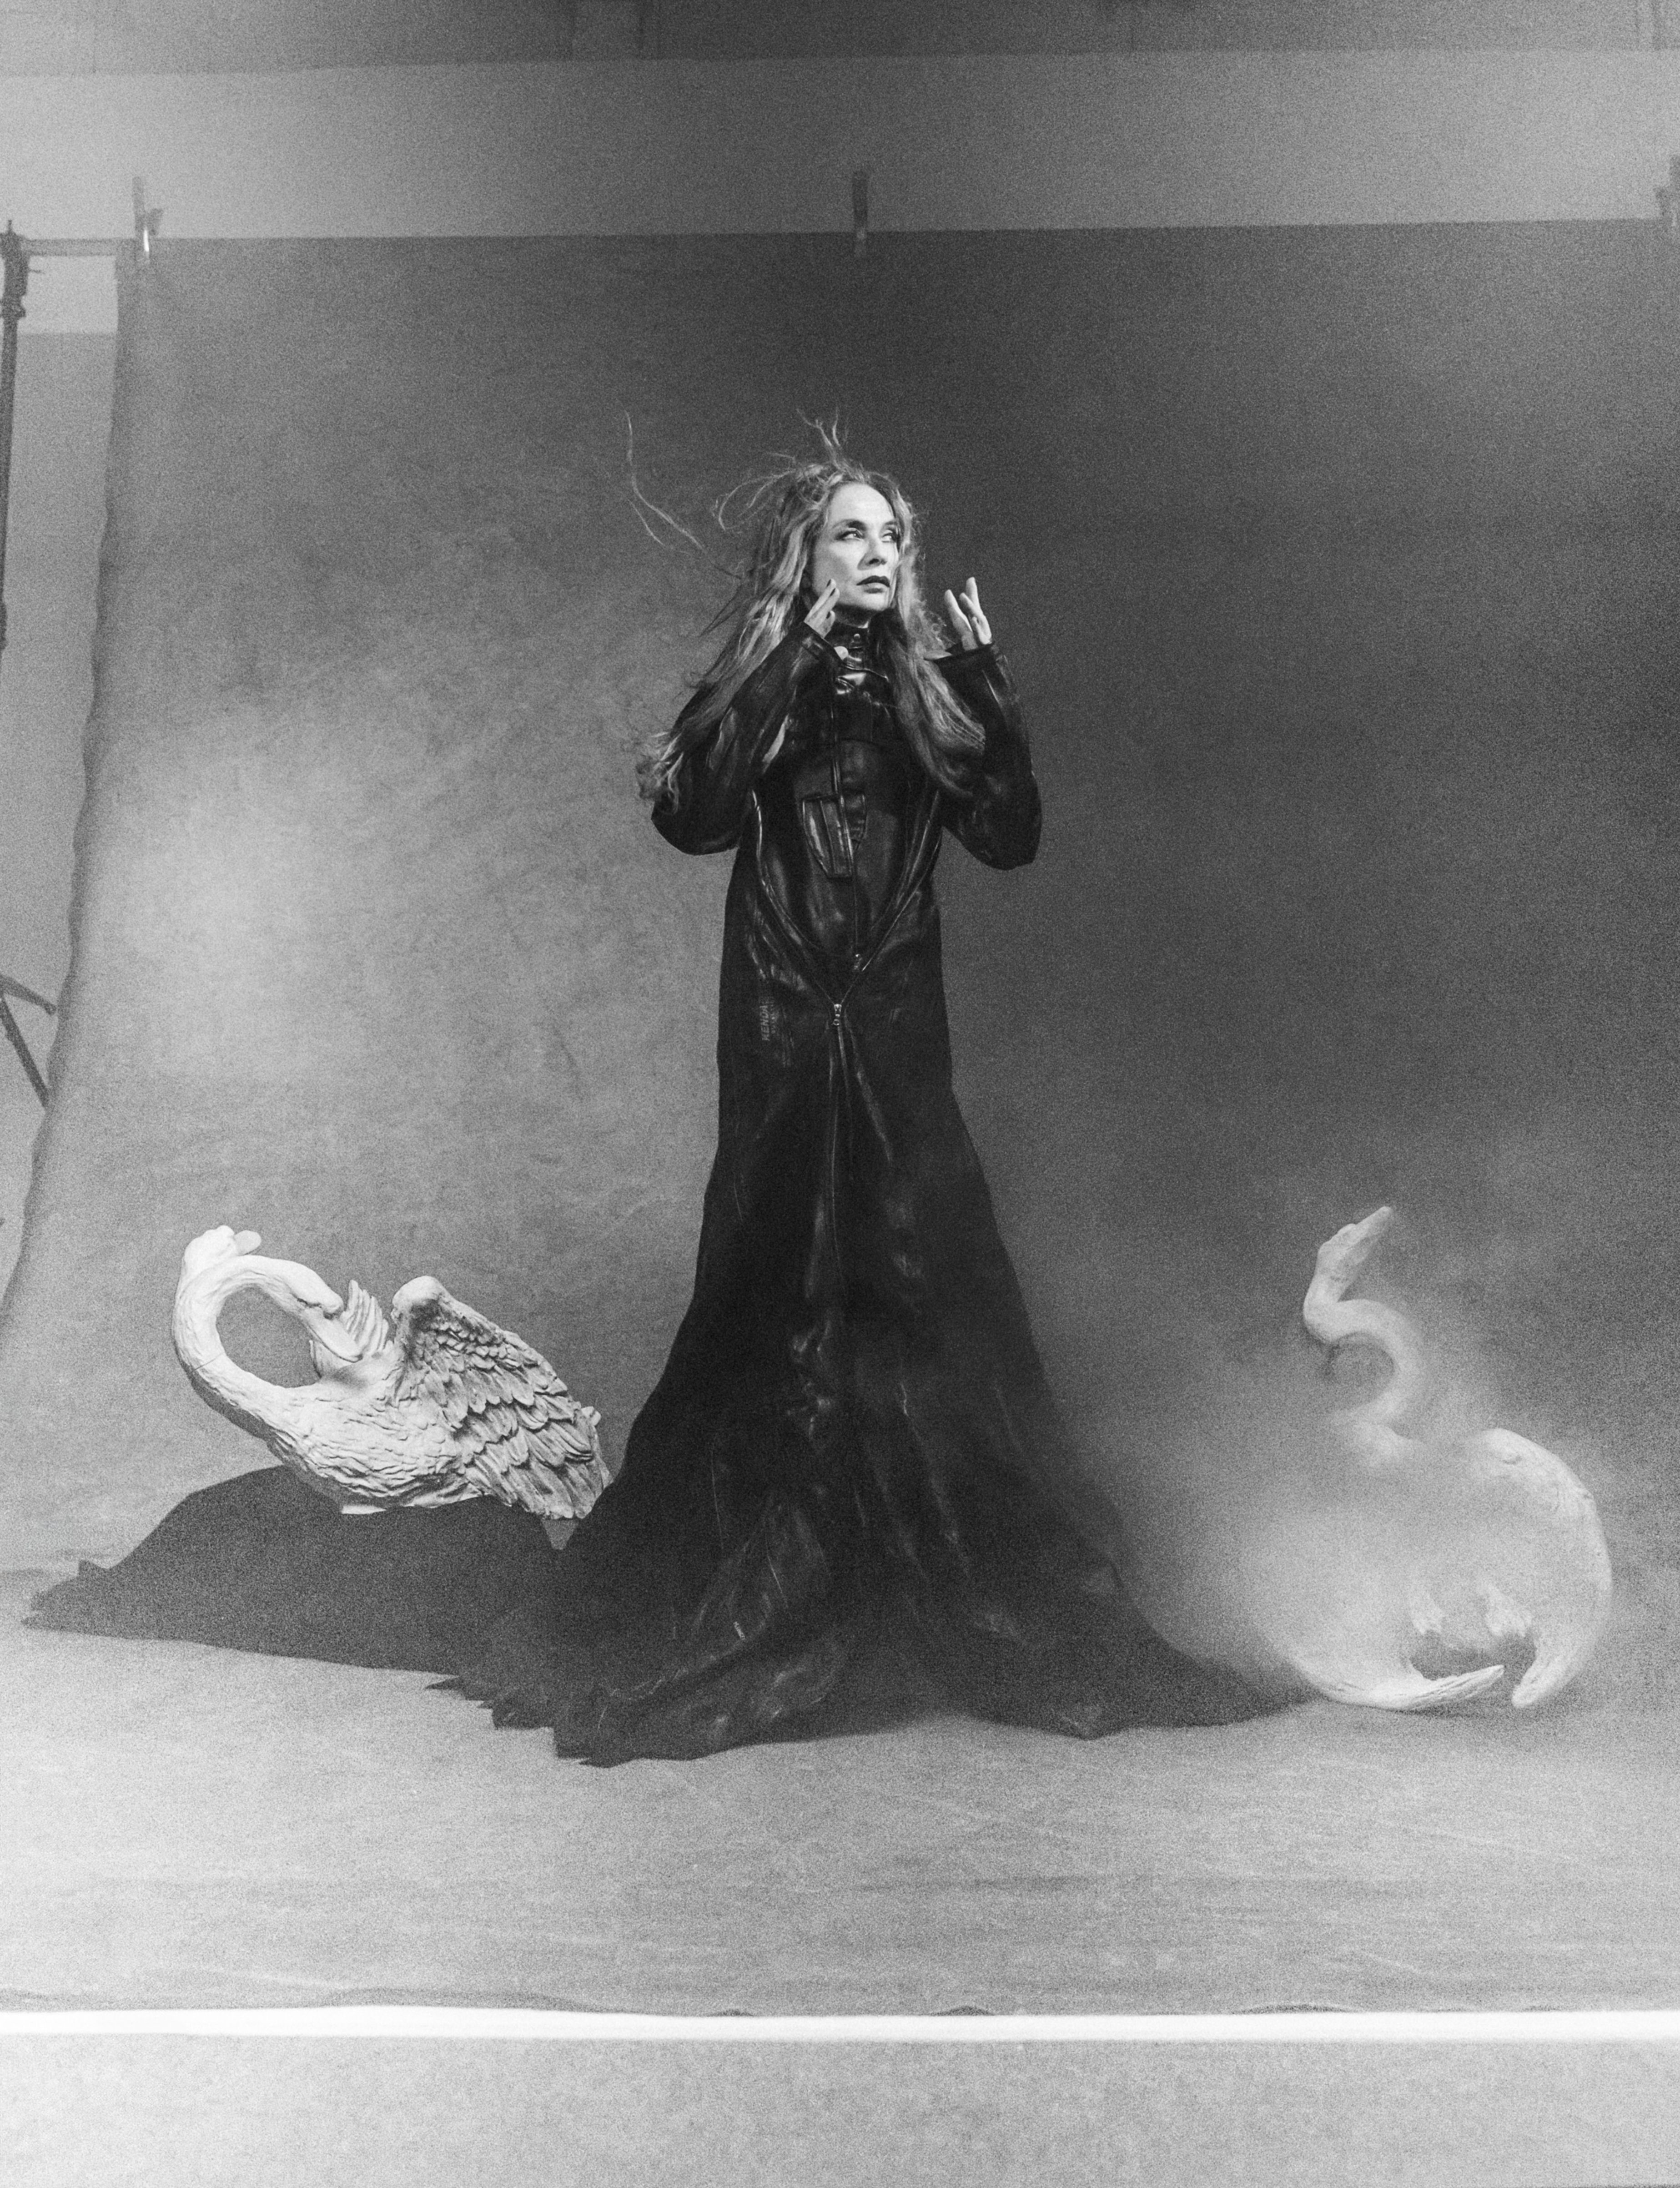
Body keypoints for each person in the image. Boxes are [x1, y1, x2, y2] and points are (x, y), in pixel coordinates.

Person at [461, 448, 1266, 1762]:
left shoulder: (929, 692)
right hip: (784, 1023)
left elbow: (1009, 836)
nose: (878, 554)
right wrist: (791, 651)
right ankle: (757, 1578)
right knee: (769, 1288)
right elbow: (694, 815)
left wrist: (986, 683)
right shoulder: (763, 683)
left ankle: (931, 1582)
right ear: (810, 557)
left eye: (891, 536)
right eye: (851, 535)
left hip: (892, 1027)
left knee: (923, 1285)